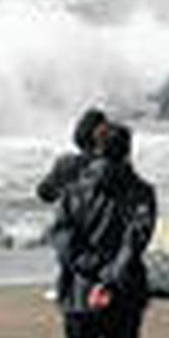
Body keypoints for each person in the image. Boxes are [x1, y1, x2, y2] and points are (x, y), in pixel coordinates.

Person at [41, 122, 156, 338]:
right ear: (128, 150)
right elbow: (135, 241)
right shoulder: (141, 191)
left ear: (95, 147)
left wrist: (90, 275)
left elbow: (62, 239)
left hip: (78, 293)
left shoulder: (73, 191)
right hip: (123, 294)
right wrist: (109, 279)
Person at [37, 107, 111, 302]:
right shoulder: (113, 166)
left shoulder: (66, 163)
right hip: (106, 234)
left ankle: (65, 287)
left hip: (72, 233)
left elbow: (44, 193)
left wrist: (63, 194)